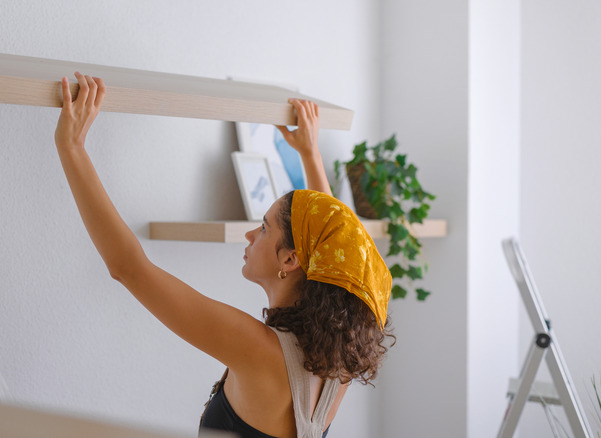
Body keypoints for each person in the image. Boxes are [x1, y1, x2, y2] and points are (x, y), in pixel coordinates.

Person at [54, 72, 394, 438]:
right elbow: (337, 243)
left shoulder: (258, 349)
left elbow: (128, 268)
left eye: (264, 228)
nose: (250, 234)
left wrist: (72, 148)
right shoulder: (337, 363)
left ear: (290, 260)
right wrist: (309, 153)